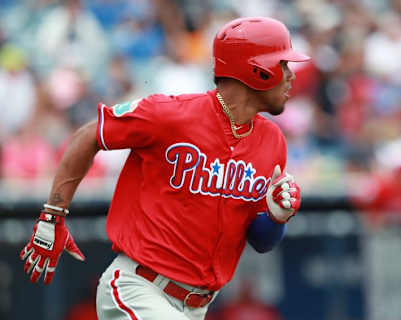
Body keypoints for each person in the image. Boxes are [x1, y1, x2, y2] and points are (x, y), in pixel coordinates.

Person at [19, 16, 309, 320]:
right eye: (283, 65)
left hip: (196, 307)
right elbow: (89, 135)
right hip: (138, 287)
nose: (291, 75)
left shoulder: (272, 141)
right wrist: (53, 215)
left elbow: (261, 242)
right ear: (256, 71)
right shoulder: (172, 115)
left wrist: (276, 218)